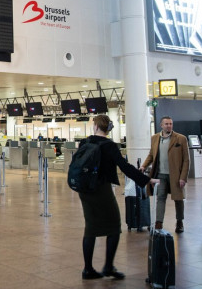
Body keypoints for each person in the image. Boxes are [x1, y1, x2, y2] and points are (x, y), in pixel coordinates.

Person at [78, 115, 159, 280]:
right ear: (108, 129)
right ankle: (108, 266)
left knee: (90, 227)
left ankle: (88, 269)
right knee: (114, 226)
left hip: (85, 189)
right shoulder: (109, 145)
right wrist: (146, 180)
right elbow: (125, 167)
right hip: (102, 189)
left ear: (95, 127)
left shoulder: (85, 142)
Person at [140, 116, 189, 233]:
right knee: (161, 198)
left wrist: (183, 177)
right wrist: (143, 166)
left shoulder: (181, 138)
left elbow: (186, 160)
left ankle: (179, 222)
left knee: (178, 199)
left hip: (176, 176)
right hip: (160, 175)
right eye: (166, 124)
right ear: (161, 125)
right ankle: (159, 223)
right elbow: (151, 155)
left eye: (170, 124)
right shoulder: (155, 138)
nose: (169, 126)